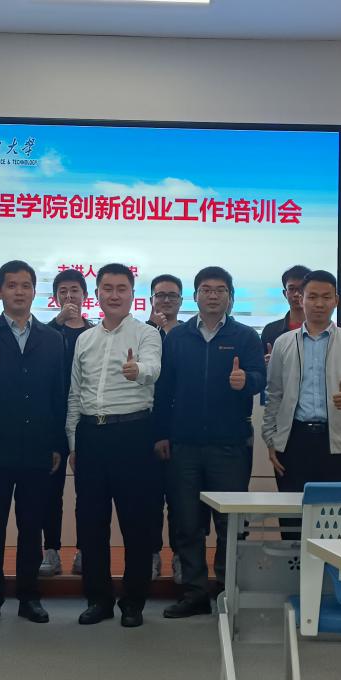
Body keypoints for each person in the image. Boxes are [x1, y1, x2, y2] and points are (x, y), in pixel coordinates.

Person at [154, 267, 265, 617]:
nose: (213, 295)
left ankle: (228, 590)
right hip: (183, 444)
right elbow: (164, 390)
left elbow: (261, 378)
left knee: (229, 523)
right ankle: (194, 592)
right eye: (206, 289)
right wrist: (161, 434)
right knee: (186, 522)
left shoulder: (245, 336)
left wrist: (246, 381)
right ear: (195, 296)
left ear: (230, 296)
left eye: (220, 290)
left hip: (229, 445)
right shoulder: (177, 337)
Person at [0, 260, 66, 625]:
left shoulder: (51, 338)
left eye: (25, 285)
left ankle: (29, 597)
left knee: (31, 526)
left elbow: (58, 394)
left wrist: (57, 444)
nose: (19, 292)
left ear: (34, 291)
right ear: (0, 290)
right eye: (12, 285)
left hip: (37, 447)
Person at [67, 263, 162, 627]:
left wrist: (138, 371)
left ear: (132, 295)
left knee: (136, 522)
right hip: (91, 435)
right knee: (91, 523)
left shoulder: (147, 333)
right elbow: (75, 393)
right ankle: (98, 599)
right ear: (97, 295)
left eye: (122, 288)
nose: (114, 295)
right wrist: (73, 440)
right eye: (107, 288)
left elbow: (153, 367)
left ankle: (133, 602)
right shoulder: (85, 339)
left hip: (132, 433)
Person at [262, 270, 341, 540]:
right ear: (301, 299)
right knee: (294, 522)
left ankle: (334, 569)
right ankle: (297, 569)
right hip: (295, 441)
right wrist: (270, 439)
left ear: (336, 300)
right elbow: (274, 393)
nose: (319, 303)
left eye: (326, 297)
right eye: (312, 297)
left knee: (340, 524)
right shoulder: (284, 343)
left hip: (339, 442)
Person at [42, 269, 95, 578]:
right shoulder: (47, 332)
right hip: (51, 421)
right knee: (50, 491)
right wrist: (58, 322)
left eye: (75, 290)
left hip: (86, 420)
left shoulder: (96, 332)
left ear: (85, 295)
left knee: (88, 492)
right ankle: (50, 550)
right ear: (55, 297)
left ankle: (84, 549)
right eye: (63, 291)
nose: (69, 296)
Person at [147, 273, 184, 582]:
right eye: (161, 295)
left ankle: (180, 557)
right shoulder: (141, 334)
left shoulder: (189, 334)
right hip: (145, 430)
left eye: (172, 295)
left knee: (181, 501)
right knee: (148, 500)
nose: (166, 300)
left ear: (182, 301)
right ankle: (151, 554)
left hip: (182, 431)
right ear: (151, 300)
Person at [261, 264, 311, 366]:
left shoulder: (322, 330)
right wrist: (266, 364)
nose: (296, 294)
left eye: (301, 289)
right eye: (292, 289)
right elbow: (258, 368)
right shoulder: (270, 330)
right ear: (285, 294)